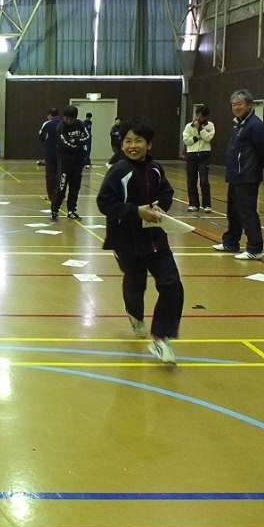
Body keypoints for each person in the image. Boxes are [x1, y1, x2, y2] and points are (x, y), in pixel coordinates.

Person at [97, 117, 184, 365]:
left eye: (138, 141)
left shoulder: (156, 169)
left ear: (149, 144)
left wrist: (161, 205)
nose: (133, 146)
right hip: (126, 241)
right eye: (128, 141)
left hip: (156, 239)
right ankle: (135, 314)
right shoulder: (118, 172)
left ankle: (160, 337)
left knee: (172, 284)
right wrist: (136, 211)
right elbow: (105, 203)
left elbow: (166, 191)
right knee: (136, 285)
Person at [213, 89, 264, 260]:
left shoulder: (255, 125)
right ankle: (231, 242)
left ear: (249, 105)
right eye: (233, 105)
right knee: (233, 212)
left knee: (247, 213)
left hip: (247, 176)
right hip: (235, 175)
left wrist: (256, 168)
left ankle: (255, 248)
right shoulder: (239, 124)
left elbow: (262, 150)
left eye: (240, 104)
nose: (236, 107)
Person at [50, 105, 90, 221]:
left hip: (78, 161)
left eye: (71, 119)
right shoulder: (60, 127)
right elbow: (66, 144)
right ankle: (54, 211)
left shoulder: (80, 124)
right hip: (64, 161)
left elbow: (87, 137)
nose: (68, 121)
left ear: (75, 118)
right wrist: (77, 144)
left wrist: (76, 140)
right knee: (61, 187)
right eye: (66, 118)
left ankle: (72, 210)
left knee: (75, 187)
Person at [182, 104, 215, 213]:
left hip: (204, 155)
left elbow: (208, 138)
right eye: (197, 115)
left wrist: (200, 129)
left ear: (205, 116)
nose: (198, 118)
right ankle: (193, 204)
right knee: (191, 180)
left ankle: (207, 205)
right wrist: (197, 137)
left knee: (204, 180)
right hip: (192, 155)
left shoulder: (210, 125)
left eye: (201, 116)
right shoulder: (188, 126)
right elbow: (186, 140)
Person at [39, 109, 61, 201]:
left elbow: (41, 137)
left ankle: (51, 195)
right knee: (60, 175)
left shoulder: (47, 124)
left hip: (50, 154)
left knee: (50, 175)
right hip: (61, 154)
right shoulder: (63, 124)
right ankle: (60, 194)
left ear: (50, 115)